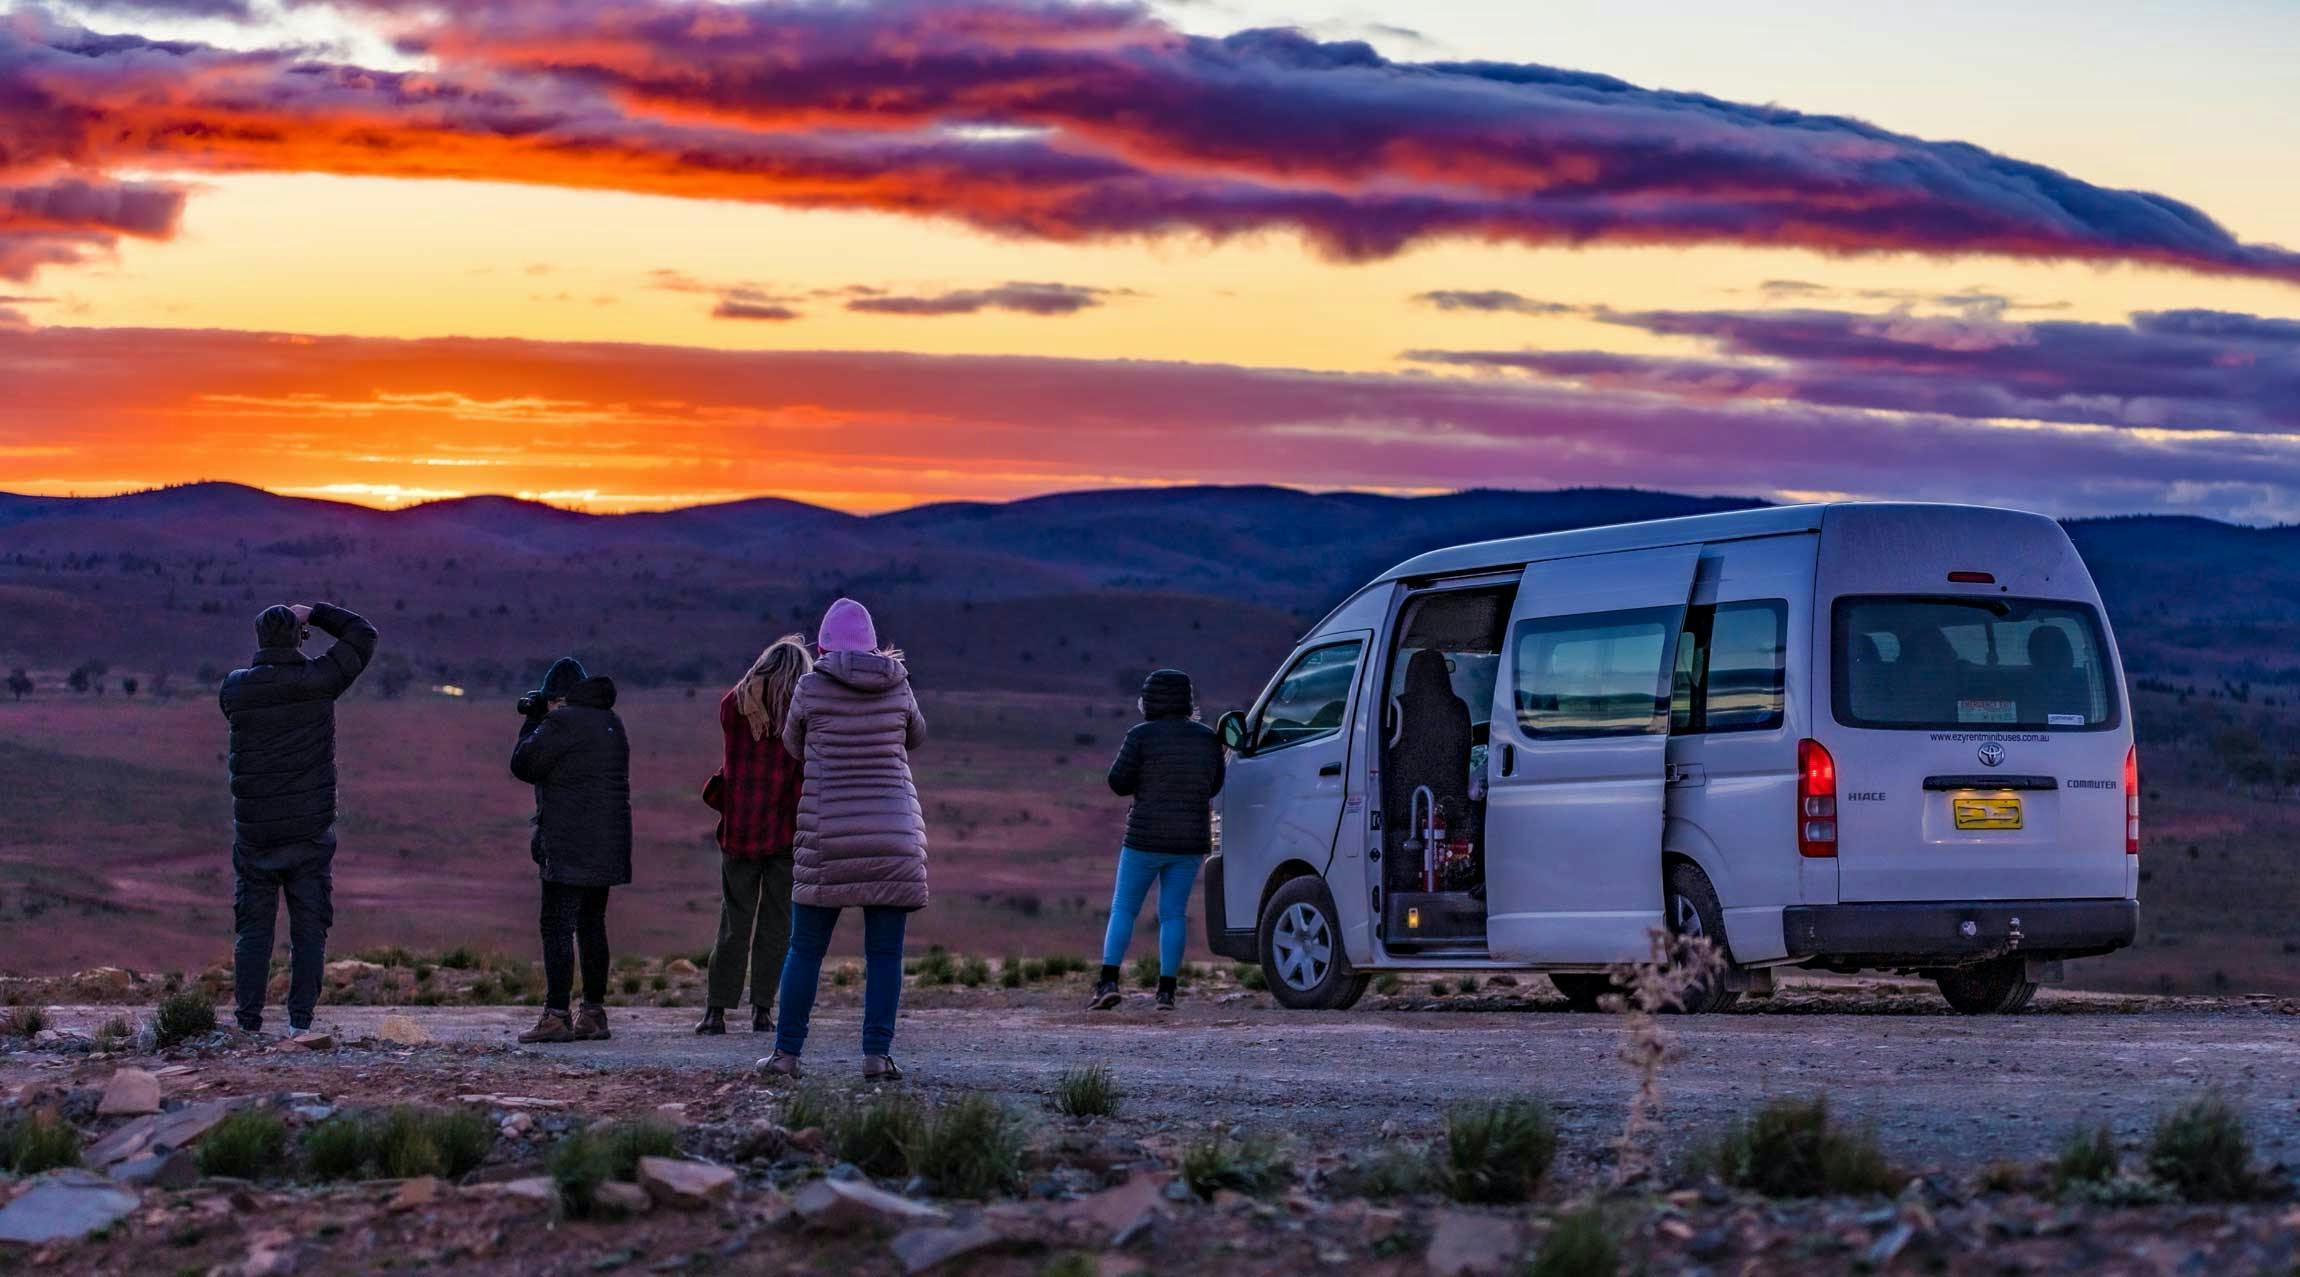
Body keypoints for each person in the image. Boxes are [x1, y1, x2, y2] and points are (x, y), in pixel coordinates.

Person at [760, 599, 926, 1081]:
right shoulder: (898, 684)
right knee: (885, 954)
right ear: (873, 644)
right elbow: (916, 736)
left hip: (827, 833)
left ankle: (786, 1055)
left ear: (824, 647)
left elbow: (792, 745)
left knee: (805, 949)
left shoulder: (810, 687)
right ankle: (876, 1056)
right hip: (893, 835)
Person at [219, 602, 379, 1035]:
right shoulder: (319, 680)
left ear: (259, 639)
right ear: (297, 636)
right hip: (309, 833)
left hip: (256, 834)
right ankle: (300, 1025)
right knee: (309, 930)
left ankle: (247, 1023)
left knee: (253, 931)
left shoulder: (235, 689)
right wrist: (317, 613)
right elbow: (363, 635)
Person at [510, 657, 632, 1045]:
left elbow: (523, 763)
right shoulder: (611, 722)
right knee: (592, 923)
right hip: (608, 841)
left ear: (556, 699)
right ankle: (593, 1013)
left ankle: (556, 1016)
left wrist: (532, 719)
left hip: (567, 843)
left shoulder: (561, 722)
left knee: (557, 925)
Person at [1091, 669, 1225, 1012]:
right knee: (1173, 914)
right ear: (1187, 699)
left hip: (1144, 839)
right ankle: (1166, 992)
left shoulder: (1140, 736)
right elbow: (1214, 785)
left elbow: (1118, 782)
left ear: (1149, 700)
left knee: (1124, 908)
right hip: (1190, 842)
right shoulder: (1207, 738)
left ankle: (1108, 982)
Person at [698, 636, 812, 1035]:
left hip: (740, 828)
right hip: (784, 830)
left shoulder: (734, 706)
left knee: (734, 920)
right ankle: (762, 1010)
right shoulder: (799, 713)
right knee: (777, 923)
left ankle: (716, 1010)